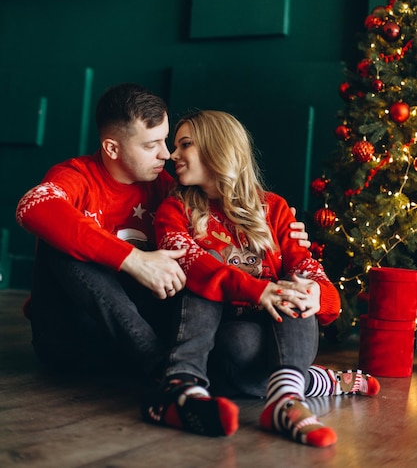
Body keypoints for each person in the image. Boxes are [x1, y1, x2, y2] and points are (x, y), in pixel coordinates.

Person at [15, 83, 310, 382]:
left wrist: (276, 223)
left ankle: (186, 373)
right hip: (75, 336)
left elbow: (222, 214)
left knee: (212, 293)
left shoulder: (171, 190)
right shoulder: (78, 176)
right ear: (112, 148)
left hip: (146, 332)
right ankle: (160, 366)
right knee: (59, 240)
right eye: (150, 145)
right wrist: (134, 260)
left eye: (165, 140)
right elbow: (33, 207)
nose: (166, 154)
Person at [144, 110, 380, 448]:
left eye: (185, 145)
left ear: (218, 149)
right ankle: (314, 381)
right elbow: (189, 263)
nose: (172, 155)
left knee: (297, 284)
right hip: (221, 333)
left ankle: (284, 402)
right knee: (208, 283)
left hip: (278, 326)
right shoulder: (175, 209)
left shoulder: (274, 208)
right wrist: (259, 290)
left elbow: (308, 268)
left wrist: (318, 293)